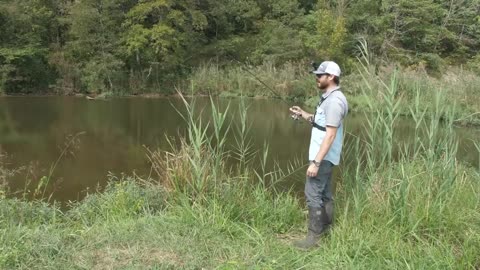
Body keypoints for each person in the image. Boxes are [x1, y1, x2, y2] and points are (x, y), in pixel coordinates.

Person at [289, 61, 348, 249]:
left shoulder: (335, 101)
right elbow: (322, 124)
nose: (316, 78)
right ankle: (326, 230)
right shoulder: (328, 98)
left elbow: (330, 135)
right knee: (324, 193)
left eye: (320, 75)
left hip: (322, 157)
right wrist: (303, 114)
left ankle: (313, 239)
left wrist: (315, 162)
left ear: (331, 77)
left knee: (313, 193)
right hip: (324, 156)